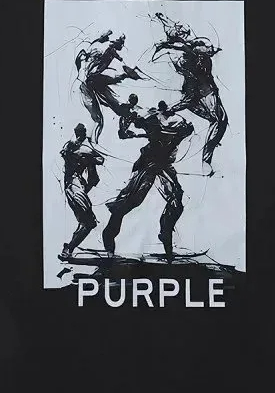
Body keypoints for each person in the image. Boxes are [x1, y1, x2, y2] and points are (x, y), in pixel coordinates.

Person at [102, 101, 194, 262]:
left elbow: (183, 132)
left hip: (164, 164)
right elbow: (126, 122)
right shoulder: (151, 118)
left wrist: (129, 130)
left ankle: (166, 234)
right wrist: (125, 129)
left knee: (176, 201)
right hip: (148, 162)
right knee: (130, 201)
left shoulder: (179, 123)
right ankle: (109, 236)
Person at [152, 13, 228, 175]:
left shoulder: (190, 44)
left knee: (217, 120)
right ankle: (206, 160)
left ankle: (210, 145)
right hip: (201, 93)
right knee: (218, 120)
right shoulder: (185, 55)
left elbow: (173, 28)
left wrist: (161, 18)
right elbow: (189, 95)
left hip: (201, 91)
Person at [74, 33, 144, 141]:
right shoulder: (104, 50)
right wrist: (123, 76)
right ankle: (90, 138)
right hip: (92, 83)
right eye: (121, 42)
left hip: (95, 82)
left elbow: (116, 58)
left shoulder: (106, 50)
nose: (122, 45)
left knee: (107, 112)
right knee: (99, 118)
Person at [59, 123, 105, 260]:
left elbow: (99, 161)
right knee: (88, 222)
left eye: (83, 132)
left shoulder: (83, 150)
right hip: (74, 188)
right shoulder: (72, 147)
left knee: (86, 222)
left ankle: (69, 248)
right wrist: (88, 156)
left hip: (77, 187)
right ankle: (69, 248)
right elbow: (70, 153)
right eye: (80, 132)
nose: (81, 135)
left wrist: (90, 158)